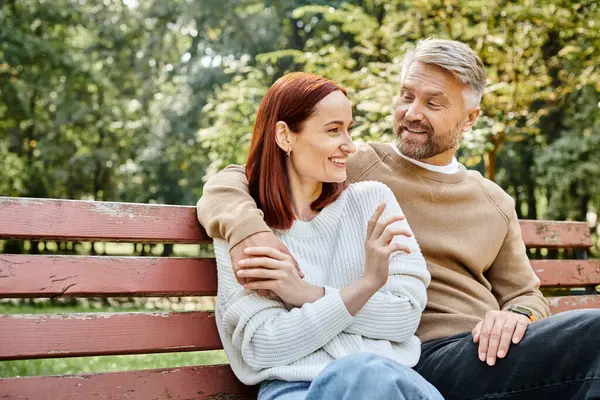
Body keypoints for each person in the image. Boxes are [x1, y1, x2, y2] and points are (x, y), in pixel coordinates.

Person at [198, 40, 600, 399]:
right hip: (411, 357)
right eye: (407, 96)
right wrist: (247, 230)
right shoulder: (351, 167)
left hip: (484, 353)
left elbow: (525, 294)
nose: (412, 113)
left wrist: (515, 317)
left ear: (470, 118)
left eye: (433, 102)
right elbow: (241, 178)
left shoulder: (492, 200)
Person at [208, 72, 444, 400]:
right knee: (361, 373)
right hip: (296, 392)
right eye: (333, 130)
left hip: (388, 383)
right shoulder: (248, 230)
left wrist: (306, 293)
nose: (349, 145)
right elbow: (264, 346)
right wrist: (364, 287)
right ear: (284, 136)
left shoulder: (373, 202)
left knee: (368, 375)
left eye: (349, 129)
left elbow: (404, 317)